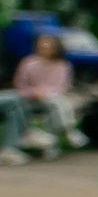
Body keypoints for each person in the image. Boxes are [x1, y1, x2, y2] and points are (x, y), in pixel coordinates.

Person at [0, 32, 80, 166]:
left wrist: (43, 93)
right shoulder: (29, 62)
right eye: (41, 45)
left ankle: (14, 147)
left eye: (47, 45)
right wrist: (33, 92)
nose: (42, 47)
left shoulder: (63, 65)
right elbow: (20, 85)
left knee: (48, 104)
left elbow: (61, 87)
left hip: (45, 99)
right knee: (17, 101)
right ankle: (30, 133)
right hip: (27, 98)